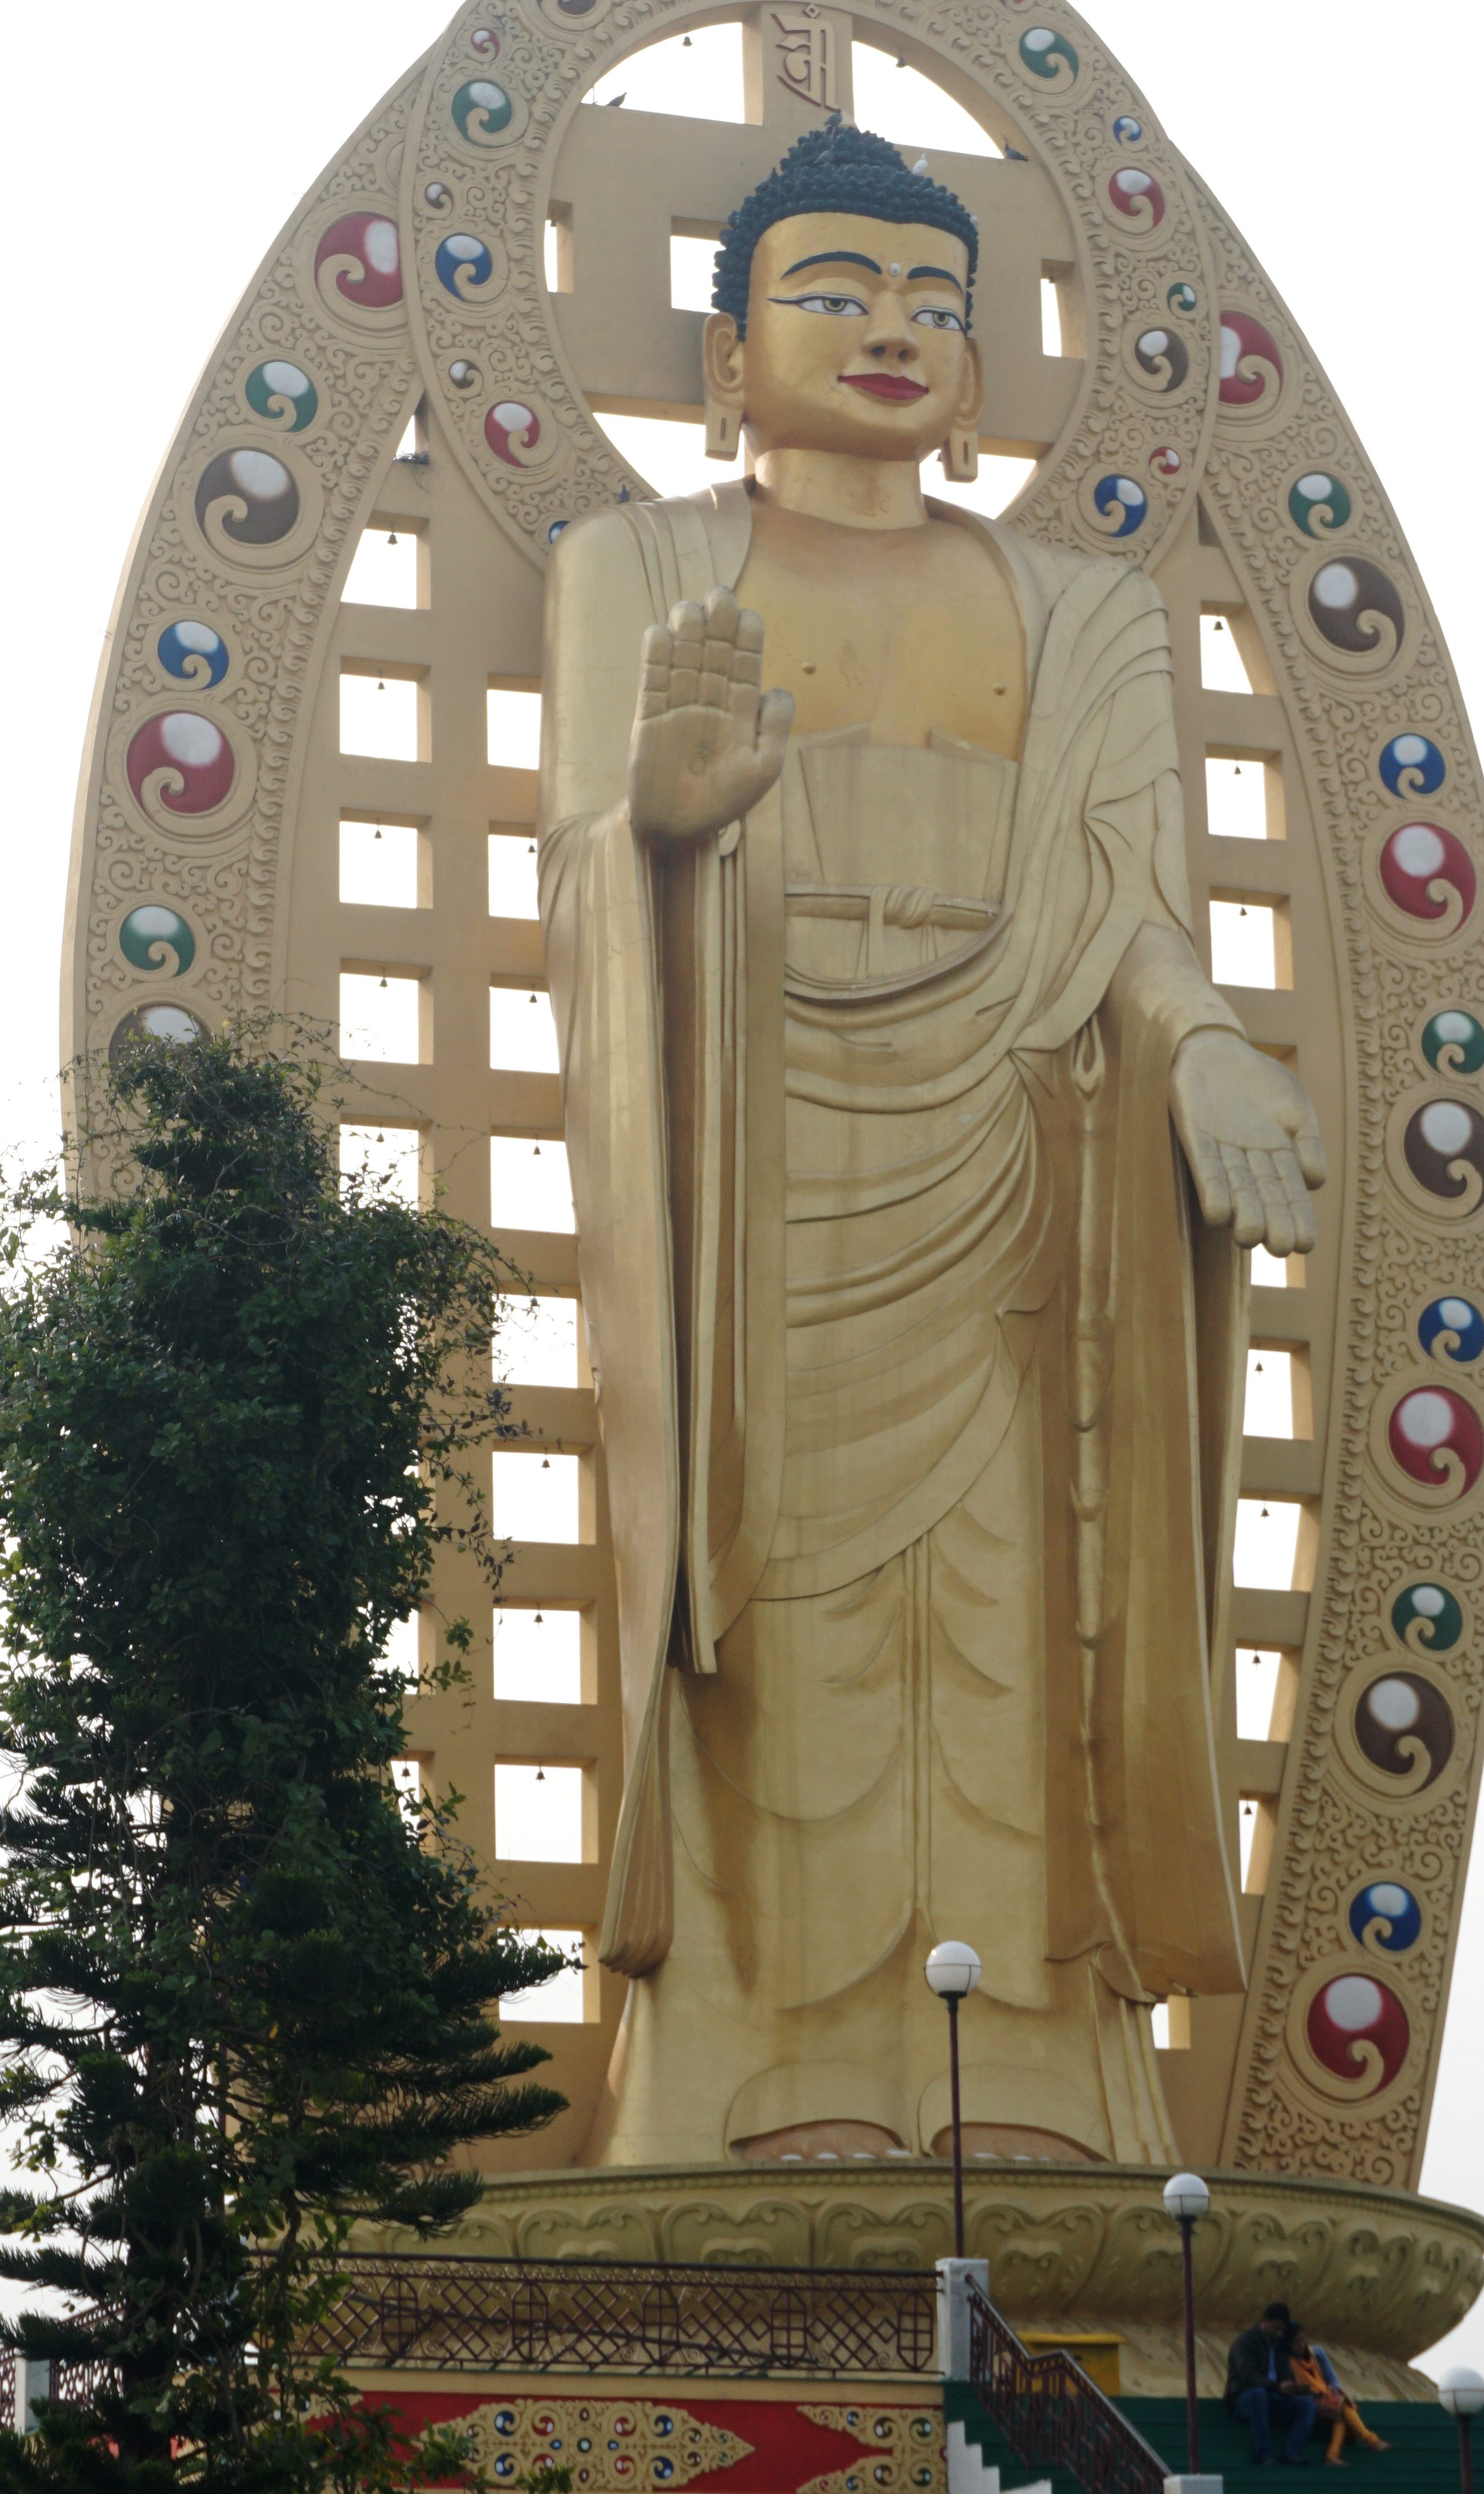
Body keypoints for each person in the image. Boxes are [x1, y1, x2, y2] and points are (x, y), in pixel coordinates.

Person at [543, 122, 1327, 2167]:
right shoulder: (634, 571)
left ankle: (1043, 2093)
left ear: (978, 366)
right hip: (757, 1164)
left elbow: (1133, 908)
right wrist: (667, 826)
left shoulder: (1087, 611)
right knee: (767, 1630)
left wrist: (1213, 1046)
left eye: (930, 307)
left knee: (1013, 1633)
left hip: (1014, 1151)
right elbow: (582, 870)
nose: (891, 334)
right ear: (728, 357)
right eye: (833, 292)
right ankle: (750, 2092)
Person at [1224, 2305, 1318, 2467]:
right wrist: (1277, 2387)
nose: (1279, 2334)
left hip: (1273, 2398)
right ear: (1264, 2322)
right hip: (1243, 2399)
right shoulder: (1246, 2342)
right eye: (1276, 2329)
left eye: (1282, 2330)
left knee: (1308, 2404)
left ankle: (1292, 2452)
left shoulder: (1280, 2347)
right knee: (1258, 2394)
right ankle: (1264, 2455)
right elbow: (1248, 2376)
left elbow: (1285, 2376)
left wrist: (1293, 2388)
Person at [1287, 2325, 1391, 2465]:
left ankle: (1332, 2456)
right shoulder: (1287, 2362)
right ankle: (1370, 2440)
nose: (1300, 2345)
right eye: (1295, 2342)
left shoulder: (1317, 2353)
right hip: (1309, 2401)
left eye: (1302, 2340)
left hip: (1327, 2398)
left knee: (1339, 2413)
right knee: (1342, 2407)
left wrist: (1333, 2390)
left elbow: (1332, 2379)